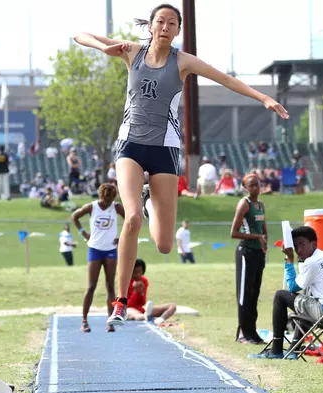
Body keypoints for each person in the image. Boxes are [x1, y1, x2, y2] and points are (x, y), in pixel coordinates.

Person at [74, 4, 289, 326]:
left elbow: (226, 80)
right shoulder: (131, 52)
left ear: (177, 30)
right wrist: (104, 46)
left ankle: (150, 203)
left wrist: (264, 99)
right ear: (149, 26)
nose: (164, 27)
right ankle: (119, 301)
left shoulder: (183, 61)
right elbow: (79, 34)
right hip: (130, 146)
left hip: (165, 150)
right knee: (129, 217)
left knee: (162, 244)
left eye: (171, 23)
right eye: (159, 21)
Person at [250, 226, 323, 359]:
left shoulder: (311, 263)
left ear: (314, 243)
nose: (298, 250)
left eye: (302, 244)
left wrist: (289, 260)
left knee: (280, 295)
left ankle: (276, 350)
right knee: (306, 302)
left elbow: (292, 288)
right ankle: (293, 351)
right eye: (295, 246)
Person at [71, 184, 125, 332]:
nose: (107, 204)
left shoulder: (117, 207)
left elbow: (131, 220)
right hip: (95, 249)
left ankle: (110, 321)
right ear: (100, 196)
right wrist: (83, 233)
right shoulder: (91, 207)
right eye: (105, 201)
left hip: (110, 250)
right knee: (91, 286)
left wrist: (122, 237)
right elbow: (74, 216)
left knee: (110, 286)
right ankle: (84, 321)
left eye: (110, 201)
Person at [229, 174, 267, 344]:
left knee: (254, 293)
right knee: (244, 294)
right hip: (246, 252)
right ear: (245, 187)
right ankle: (243, 333)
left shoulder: (261, 205)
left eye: (257, 184)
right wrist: (256, 237)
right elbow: (234, 232)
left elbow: (264, 228)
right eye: (251, 185)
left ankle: (253, 332)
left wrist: (264, 243)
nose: (255, 188)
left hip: (258, 253)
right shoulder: (244, 204)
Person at [126, 259, 177, 324]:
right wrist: (135, 292)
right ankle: (144, 317)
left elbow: (142, 302)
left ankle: (160, 320)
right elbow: (128, 305)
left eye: (139, 272)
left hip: (142, 309)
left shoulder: (143, 281)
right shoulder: (126, 281)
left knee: (172, 306)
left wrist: (141, 292)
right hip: (128, 309)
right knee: (135, 314)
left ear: (143, 272)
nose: (137, 275)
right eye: (134, 273)